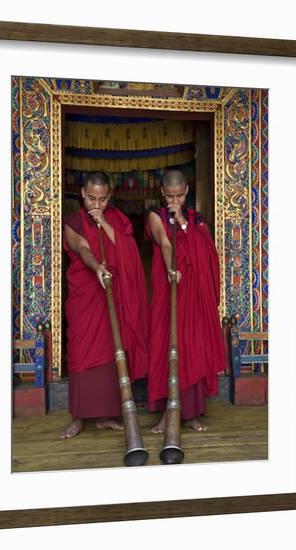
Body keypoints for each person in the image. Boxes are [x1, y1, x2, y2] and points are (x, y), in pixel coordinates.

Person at [60, 171, 149, 439]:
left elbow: (128, 251)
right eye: (90, 199)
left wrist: (106, 226)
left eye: (101, 199)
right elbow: (82, 248)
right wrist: (96, 266)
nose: (95, 205)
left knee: (112, 351)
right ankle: (78, 416)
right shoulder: (73, 221)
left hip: (113, 294)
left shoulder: (117, 220)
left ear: (109, 196)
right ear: (82, 195)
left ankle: (106, 415)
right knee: (80, 348)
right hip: (86, 297)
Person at [146, 169, 225, 433]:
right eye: (170, 196)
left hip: (192, 295)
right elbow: (166, 244)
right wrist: (171, 268)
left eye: (179, 196)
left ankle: (190, 414)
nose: (175, 201)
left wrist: (181, 221)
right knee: (166, 347)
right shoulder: (155, 217)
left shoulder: (197, 220)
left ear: (187, 191)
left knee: (191, 348)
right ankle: (166, 414)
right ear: (162, 193)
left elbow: (206, 253)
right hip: (169, 290)